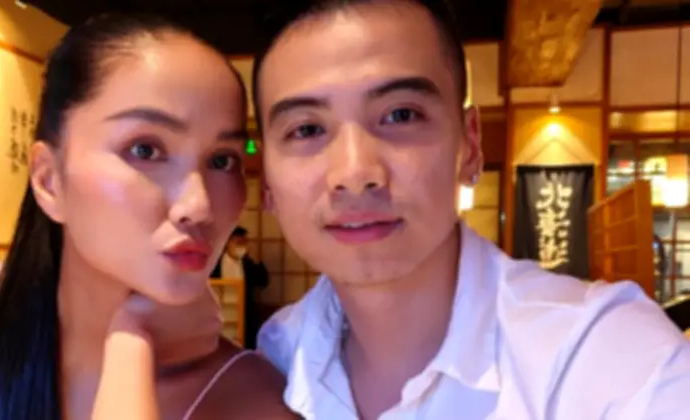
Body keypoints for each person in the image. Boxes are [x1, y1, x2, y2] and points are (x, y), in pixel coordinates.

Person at [251, 0, 690, 418]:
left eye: (401, 115)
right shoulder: (274, 362)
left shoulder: (612, 361)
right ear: (267, 181)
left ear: (470, 145)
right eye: (306, 129)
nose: (354, 172)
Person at [0, 13, 297, 420]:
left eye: (222, 160)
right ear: (49, 181)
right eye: (145, 150)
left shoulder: (253, 399)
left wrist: (129, 346)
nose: (199, 205)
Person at [211, 226, 269, 349]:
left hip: (244, 312)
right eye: (238, 242)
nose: (241, 246)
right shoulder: (215, 263)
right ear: (228, 243)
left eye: (244, 242)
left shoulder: (248, 263)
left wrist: (257, 260)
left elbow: (263, 282)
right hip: (221, 311)